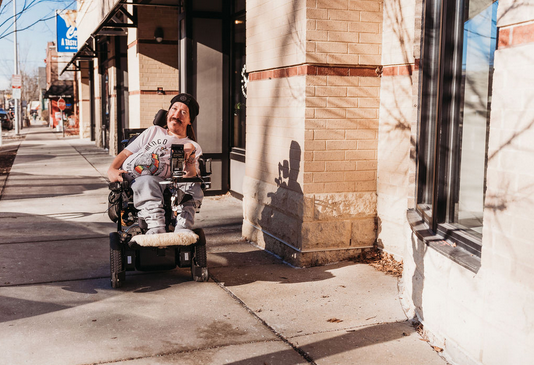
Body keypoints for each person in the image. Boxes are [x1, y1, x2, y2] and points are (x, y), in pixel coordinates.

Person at [107, 93, 203, 235]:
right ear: (168, 112)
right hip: (140, 178)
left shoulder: (193, 145)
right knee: (146, 180)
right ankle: (155, 226)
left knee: (192, 184)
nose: (177, 115)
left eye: (183, 112)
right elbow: (126, 153)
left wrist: (190, 156)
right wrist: (112, 169)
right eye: (174, 109)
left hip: (172, 184)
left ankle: (183, 227)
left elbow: (189, 177)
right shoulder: (154, 131)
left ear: (190, 120)